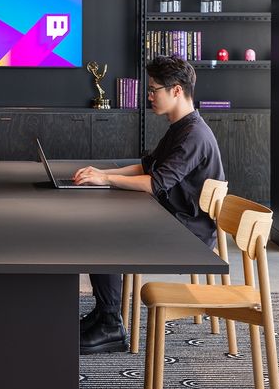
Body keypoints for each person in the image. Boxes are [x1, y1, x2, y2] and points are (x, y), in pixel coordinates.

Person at [73, 54, 225, 355]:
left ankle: (111, 326)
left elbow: (155, 183)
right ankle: (105, 314)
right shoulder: (181, 127)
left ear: (177, 91)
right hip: (173, 220)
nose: (149, 96)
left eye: (154, 89)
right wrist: (101, 173)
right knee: (102, 223)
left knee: (103, 233)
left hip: (188, 235)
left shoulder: (193, 135)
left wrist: (105, 180)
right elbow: (146, 167)